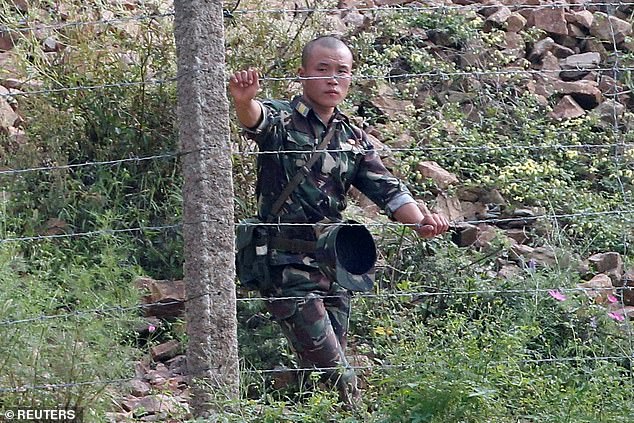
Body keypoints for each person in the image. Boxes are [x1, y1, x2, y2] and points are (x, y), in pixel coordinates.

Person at [229, 35, 449, 406]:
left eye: (342, 71)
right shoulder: (282, 120)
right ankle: (357, 414)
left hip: (333, 266)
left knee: (315, 376)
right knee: (338, 374)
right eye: (323, 70)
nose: (333, 79)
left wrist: (420, 222)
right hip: (286, 267)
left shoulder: (353, 138)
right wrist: (244, 101)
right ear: (302, 75)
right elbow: (256, 120)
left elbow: (388, 190)